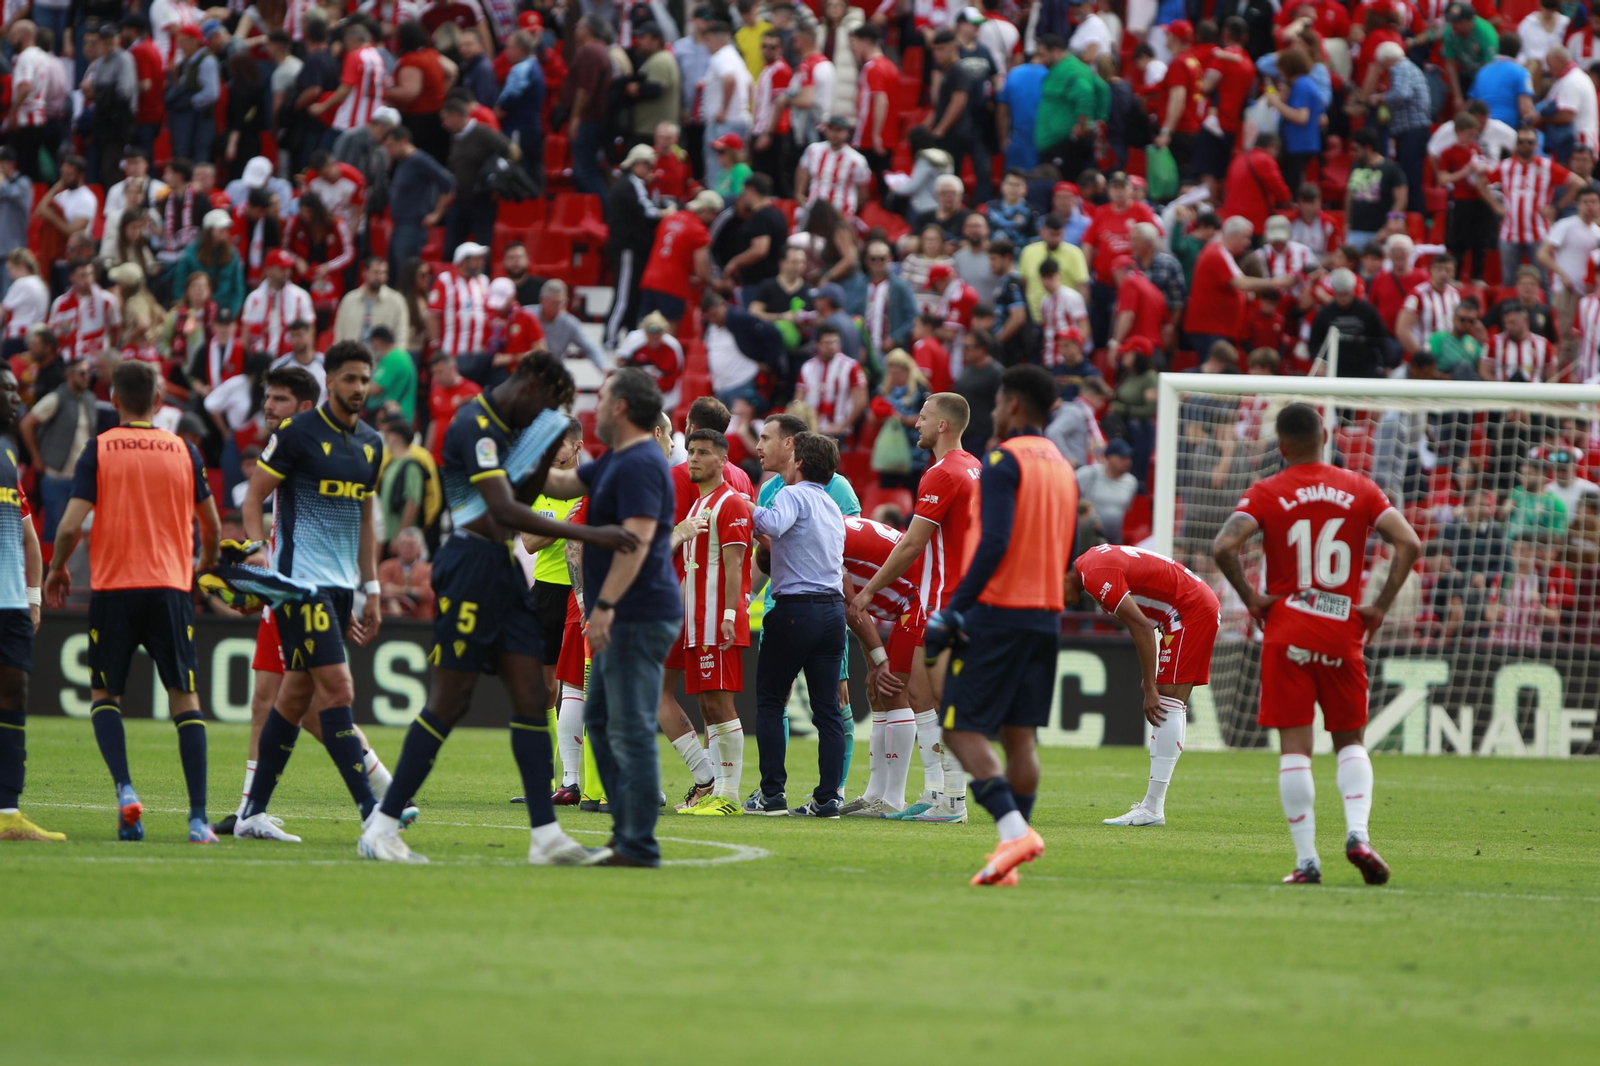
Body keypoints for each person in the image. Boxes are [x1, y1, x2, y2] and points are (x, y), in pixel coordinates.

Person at [358, 354, 632, 865]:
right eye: (548, 403)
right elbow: (502, 509)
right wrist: (593, 533)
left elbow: (558, 485)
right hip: (469, 566)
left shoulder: (512, 428)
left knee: (532, 695)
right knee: (450, 701)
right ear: (530, 383)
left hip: (500, 569)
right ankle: (383, 825)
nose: (546, 414)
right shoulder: (473, 423)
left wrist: (622, 462)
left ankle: (546, 836)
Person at [1212, 402, 1422, 885]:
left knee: (1295, 749)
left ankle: (1307, 862)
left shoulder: (1266, 491)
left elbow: (1224, 546)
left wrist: (1253, 599)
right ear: (1325, 435)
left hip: (1286, 629)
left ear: (1282, 447)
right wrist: (1380, 606)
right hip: (1342, 629)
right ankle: (1358, 834)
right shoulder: (1361, 488)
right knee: (1350, 742)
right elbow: (1409, 543)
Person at [44, 360, 221, 843]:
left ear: (115, 400)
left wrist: (57, 568)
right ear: (159, 402)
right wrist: (202, 565)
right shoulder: (185, 450)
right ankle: (198, 819)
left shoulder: (99, 449)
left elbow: (69, 525)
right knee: (185, 698)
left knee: (106, 695)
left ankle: (125, 792)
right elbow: (212, 527)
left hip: (114, 588)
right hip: (169, 586)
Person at [228, 343, 387, 842]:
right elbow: (254, 497)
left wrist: (373, 587)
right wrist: (257, 551)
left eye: (364, 379)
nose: (358, 388)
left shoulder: (371, 443)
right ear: (331, 379)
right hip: (299, 587)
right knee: (338, 691)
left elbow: (364, 520)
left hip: (341, 587)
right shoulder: (297, 435)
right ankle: (374, 812)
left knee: (293, 697)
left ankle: (250, 813)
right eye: (349, 379)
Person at [926, 364, 1077, 886]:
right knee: (1021, 739)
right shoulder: (1063, 465)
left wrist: (957, 608)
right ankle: (1012, 848)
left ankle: (1015, 831)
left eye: (996, 404)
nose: (992, 412)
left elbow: (994, 542)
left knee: (960, 728)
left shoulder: (1002, 459)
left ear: (1013, 404)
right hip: (1046, 614)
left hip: (999, 611)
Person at [533, 369, 682, 866]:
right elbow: (559, 481)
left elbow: (636, 542)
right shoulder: (619, 460)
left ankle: (637, 842)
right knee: (600, 719)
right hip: (628, 613)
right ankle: (627, 835)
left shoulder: (639, 462)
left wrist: (603, 606)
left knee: (630, 725)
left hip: (636, 614)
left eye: (600, 398)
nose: (593, 407)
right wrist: (504, 458)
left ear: (620, 408)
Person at [850, 392, 979, 819]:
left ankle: (951, 799)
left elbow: (911, 544)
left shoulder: (942, 474)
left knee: (931, 696)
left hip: (940, 598)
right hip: (968, 598)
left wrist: (868, 592)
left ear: (943, 425)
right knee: (928, 696)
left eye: (923, 417)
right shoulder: (976, 468)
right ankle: (941, 793)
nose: (916, 424)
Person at [1063, 541, 1221, 828]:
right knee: (1172, 700)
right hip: (1190, 606)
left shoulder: (1095, 574)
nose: (1057, 603)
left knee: (1166, 700)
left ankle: (1152, 809)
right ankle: (1152, 807)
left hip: (1188, 610)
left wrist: (1149, 687)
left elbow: (1142, 627)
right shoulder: (1091, 563)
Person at [674, 428, 753, 816]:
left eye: (703, 452)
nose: (693, 458)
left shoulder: (731, 503)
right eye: (690, 451)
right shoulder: (696, 506)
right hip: (695, 621)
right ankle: (718, 791)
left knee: (721, 705)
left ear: (722, 460)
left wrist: (728, 616)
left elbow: (736, 565)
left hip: (716, 622)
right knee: (707, 706)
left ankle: (730, 795)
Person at [0, 364, 56, 842]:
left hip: (11, 601)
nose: (15, 397)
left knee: (14, 695)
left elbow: (28, 535)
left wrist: (33, 598)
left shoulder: (7, 454)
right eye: (5, 389)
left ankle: (8, 814)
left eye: (16, 388)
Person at [605, 144, 664, 350]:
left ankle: (626, 335)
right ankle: (609, 339)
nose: (650, 171)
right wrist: (668, 212)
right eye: (649, 166)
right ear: (639, 164)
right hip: (627, 248)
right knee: (623, 296)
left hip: (630, 247)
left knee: (630, 295)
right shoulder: (632, 183)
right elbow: (649, 212)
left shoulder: (626, 183)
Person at [384, 126, 456, 280]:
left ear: (403, 142)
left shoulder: (420, 160)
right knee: (394, 272)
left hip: (413, 225)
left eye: (390, 146)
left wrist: (437, 214)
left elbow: (448, 182)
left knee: (407, 272)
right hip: (400, 224)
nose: (388, 151)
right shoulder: (403, 162)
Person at [1344, 127, 1408, 248]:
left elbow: (1401, 200)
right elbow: (1350, 195)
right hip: (1355, 231)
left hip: (1378, 233)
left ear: (1368, 149)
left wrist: (1386, 228)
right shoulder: (1356, 167)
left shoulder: (1391, 169)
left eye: (1356, 150)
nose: (1353, 154)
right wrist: (1347, 223)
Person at [334, 258, 410, 350]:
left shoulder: (396, 301)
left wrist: (393, 361)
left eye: (383, 273)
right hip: (352, 356)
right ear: (364, 273)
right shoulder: (349, 299)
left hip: (383, 360)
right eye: (376, 272)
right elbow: (339, 333)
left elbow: (402, 335)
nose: (380, 277)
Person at [1075, 439, 1139, 543]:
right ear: (1109, 458)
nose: (1128, 462)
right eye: (1122, 457)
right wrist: (1085, 511)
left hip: (1114, 538)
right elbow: (1067, 493)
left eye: (1129, 458)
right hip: (1088, 537)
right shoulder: (1090, 474)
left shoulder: (1131, 482)